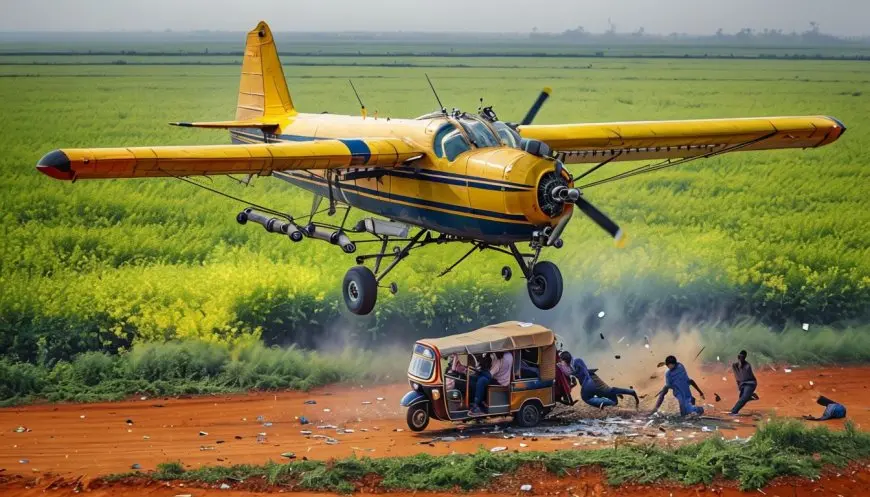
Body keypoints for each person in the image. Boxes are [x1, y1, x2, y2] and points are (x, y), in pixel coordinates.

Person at [560, 351, 639, 409]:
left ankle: (631, 392)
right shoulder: (570, 367)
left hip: (591, 380)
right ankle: (608, 400)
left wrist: (587, 381)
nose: (561, 362)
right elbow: (573, 377)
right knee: (608, 395)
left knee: (607, 392)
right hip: (589, 382)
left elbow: (585, 371)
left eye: (561, 360)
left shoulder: (577, 361)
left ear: (565, 360)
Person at [469, 351, 513, 416]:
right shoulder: (508, 354)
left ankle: (476, 404)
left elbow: (489, 374)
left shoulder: (501, 360)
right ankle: (477, 401)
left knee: (482, 380)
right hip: (500, 378)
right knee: (474, 378)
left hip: (500, 382)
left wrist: (479, 372)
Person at [729, 350, 759, 415]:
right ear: (738, 357)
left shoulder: (747, 366)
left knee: (743, 399)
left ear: (745, 358)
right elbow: (737, 376)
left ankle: (734, 411)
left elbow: (744, 377)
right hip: (742, 384)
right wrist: (739, 386)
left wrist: (741, 384)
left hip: (750, 383)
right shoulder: (734, 366)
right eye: (740, 357)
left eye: (743, 357)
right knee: (742, 398)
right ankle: (750, 395)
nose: (741, 359)